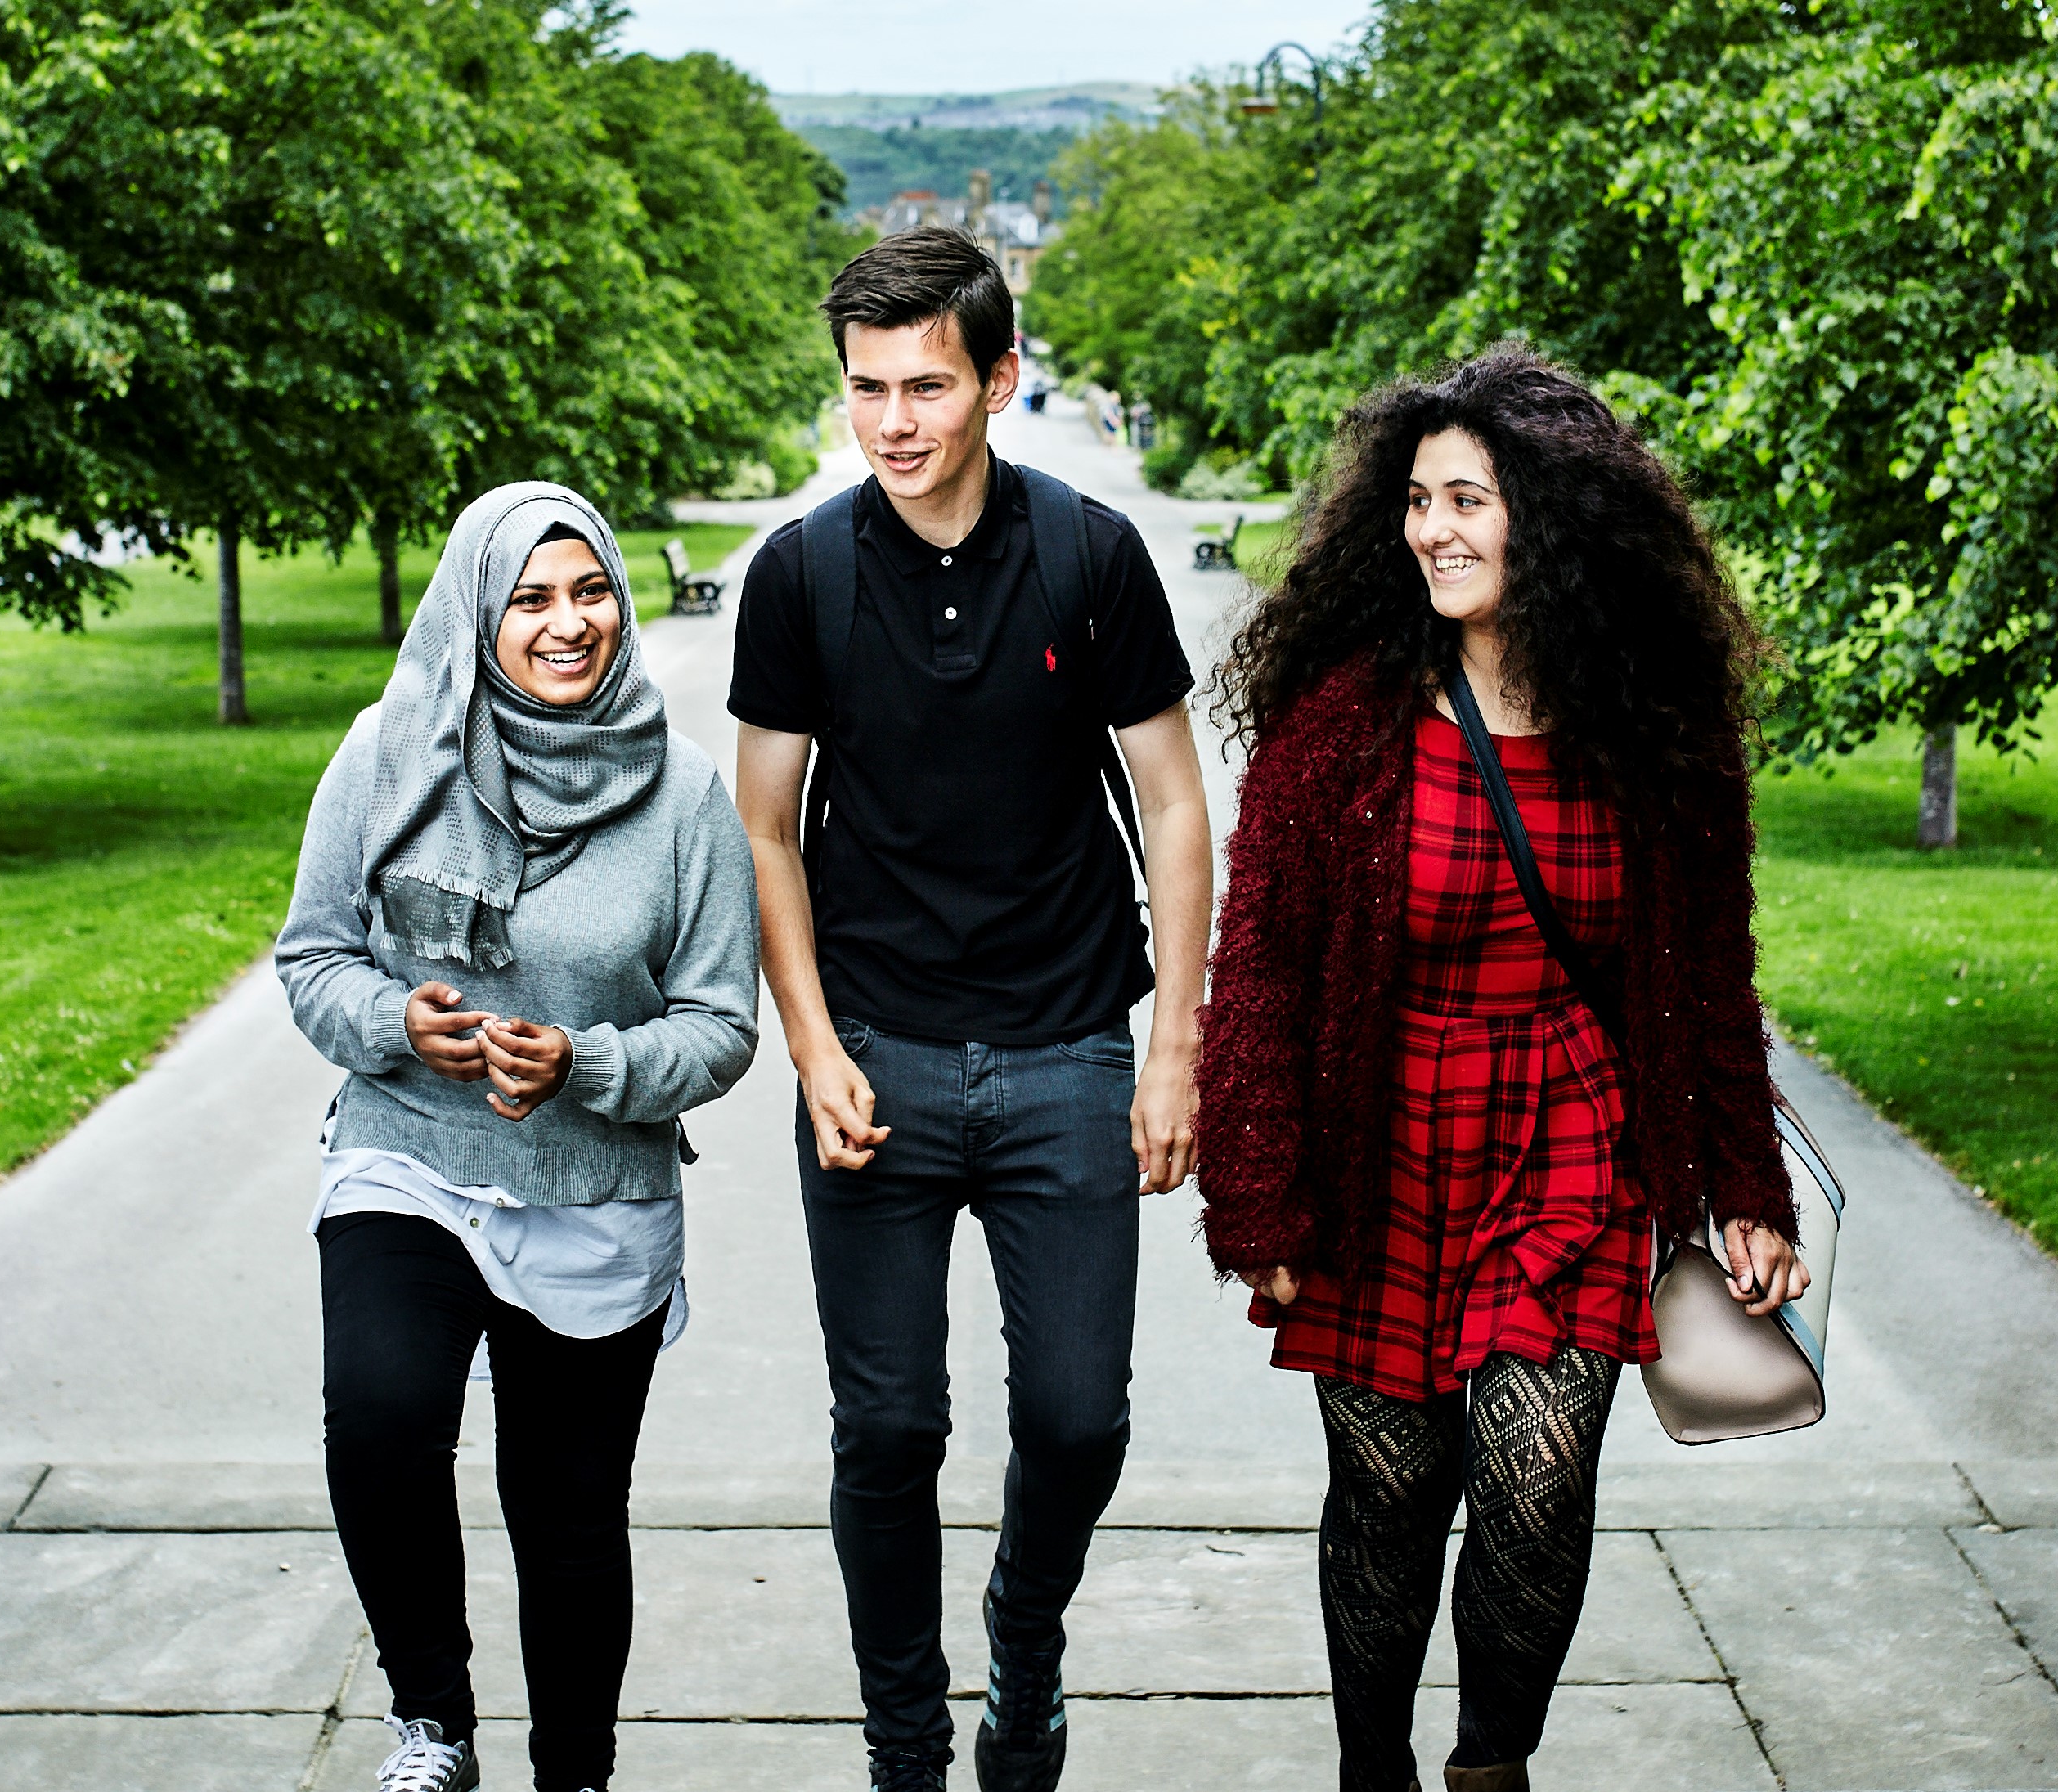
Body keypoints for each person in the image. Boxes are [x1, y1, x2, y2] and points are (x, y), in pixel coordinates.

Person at [1192, 347, 1808, 1792]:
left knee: (1536, 1487)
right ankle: (1373, 1769)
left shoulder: (1657, 731)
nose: (1435, 531)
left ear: (1554, 517)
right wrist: (1259, 1208)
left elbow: (1709, 976)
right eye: (1416, 501)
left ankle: (1490, 1768)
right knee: (1391, 1486)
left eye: (1469, 499)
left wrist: (1745, 1184)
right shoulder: (1341, 719)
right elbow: (1261, 973)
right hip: (1378, 1138)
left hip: (1575, 1135)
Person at [729, 228, 1214, 1792]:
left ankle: (1024, 1632)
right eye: (867, 389)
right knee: (887, 1432)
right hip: (874, 1053)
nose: (893, 421)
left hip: (1072, 1045)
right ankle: (906, 1745)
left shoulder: (1091, 555)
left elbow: (1175, 805)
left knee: (1078, 1420)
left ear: (999, 380)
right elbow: (764, 824)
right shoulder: (801, 577)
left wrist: (1174, 1051)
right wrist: (809, 1047)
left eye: (926, 385)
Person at [276, 483, 759, 1792]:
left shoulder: (685, 800)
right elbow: (313, 957)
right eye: (530, 599)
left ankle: (577, 1773)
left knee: (567, 1516)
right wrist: (395, 1021)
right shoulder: (388, 753)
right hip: (407, 1157)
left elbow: (722, 1027)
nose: (568, 624)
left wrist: (589, 1063)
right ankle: (431, 1721)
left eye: (590, 590)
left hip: (594, 1187)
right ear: (475, 612)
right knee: (380, 1423)